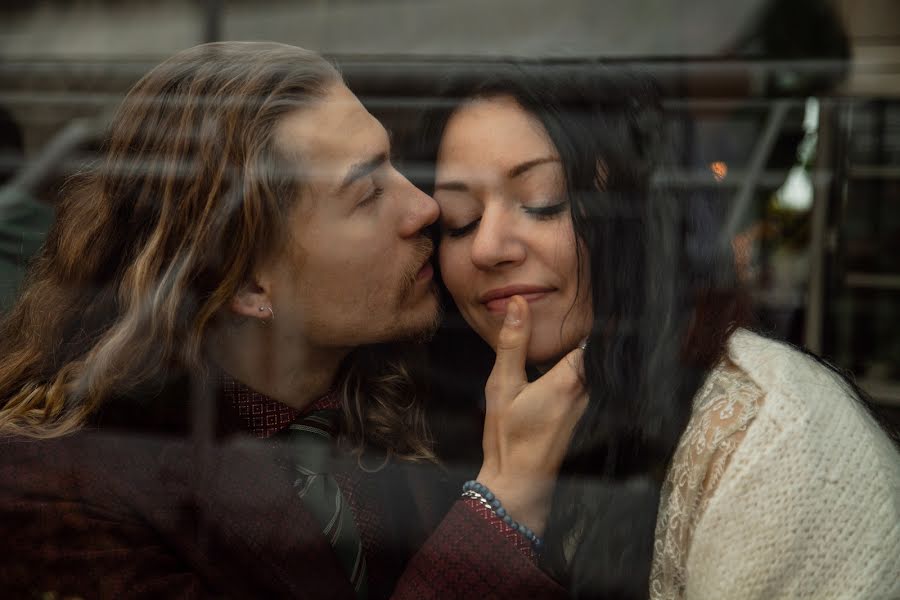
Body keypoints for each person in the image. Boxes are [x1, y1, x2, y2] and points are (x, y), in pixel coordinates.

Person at [0, 43, 584, 598]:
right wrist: (500, 510)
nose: (425, 208)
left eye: (394, 165)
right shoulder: (66, 495)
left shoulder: (420, 389)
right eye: (366, 194)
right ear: (251, 284)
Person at [420, 65, 900, 599]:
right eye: (458, 220)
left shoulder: (762, 445)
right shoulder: (490, 424)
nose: (486, 248)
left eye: (542, 199)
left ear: (633, 209)